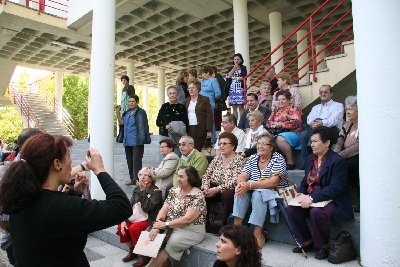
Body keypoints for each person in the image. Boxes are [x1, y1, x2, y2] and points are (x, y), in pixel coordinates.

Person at [0, 133, 132, 266]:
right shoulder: (63, 207)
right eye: (69, 156)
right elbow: (121, 207)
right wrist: (100, 170)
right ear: (57, 164)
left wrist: (74, 193)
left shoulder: (19, 198)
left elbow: (50, 213)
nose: (71, 162)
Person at [287, 127, 353, 260]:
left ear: (327, 143)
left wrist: (312, 197)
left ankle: (322, 246)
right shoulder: (310, 158)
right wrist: (300, 193)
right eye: (311, 141)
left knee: (317, 212)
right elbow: (306, 180)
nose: (311, 144)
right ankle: (306, 241)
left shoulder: (337, 161)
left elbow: (335, 188)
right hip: (312, 197)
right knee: (291, 209)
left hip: (332, 199)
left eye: (315, 141)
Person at [232, 133, 288, 249]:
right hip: (254, 187)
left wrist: (250, 185)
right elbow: (242, 175)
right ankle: (236, 230)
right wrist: (242, 184)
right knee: (240, 190)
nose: (260, 146)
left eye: (264, 144)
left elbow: (273, 182)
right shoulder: (253, 158)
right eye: (258, 144)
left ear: (271, 147)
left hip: (274, 191)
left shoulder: (278, 158)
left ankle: (257, 233)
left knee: (258, 194)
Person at [148, 166, 207, 267]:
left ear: (190, 178)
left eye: (181, 176)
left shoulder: (197, 195)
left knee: (173, 241)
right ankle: (164, 263)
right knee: (152, 233)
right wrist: (156, 227)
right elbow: (163, 210)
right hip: (172, 225)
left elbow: (188, 219)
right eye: (177, 176)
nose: (178, 179)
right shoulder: (174, 191)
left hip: (191, 230)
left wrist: (165, 225)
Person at [117, 167, 163, 266]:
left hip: (150, 218)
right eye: (141, 175)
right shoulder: (137, 189)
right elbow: (129, 205)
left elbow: (147, 208)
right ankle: (132, 251)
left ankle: (145, 257)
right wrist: (124, 219)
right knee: (121, 225)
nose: (142, 177)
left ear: (152, 178)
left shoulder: (156, 192)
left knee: (134, 228)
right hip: (137, 216)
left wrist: (143, 191)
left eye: (146, 175)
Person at [202, 132, 245, 225]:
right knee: (199, 190)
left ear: (233, 146)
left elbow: (235, 180)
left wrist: (217, 189)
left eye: (225, 143)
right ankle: (203, 221)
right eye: (220, 143)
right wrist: (205, 186)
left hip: (229, 189)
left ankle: (223, 222)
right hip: (213, 187)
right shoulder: (217, 158)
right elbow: (207, 175)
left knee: (228, 194)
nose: (221, 146)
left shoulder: (239, 159)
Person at [300, 85, 344, 164]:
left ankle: (318, 159)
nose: (323, 94)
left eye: (325, 92)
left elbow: (334, 120)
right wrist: (313, 124)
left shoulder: (338, 106)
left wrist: (321, 123)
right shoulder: (316, 107)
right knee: (303, 135)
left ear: (331, 94)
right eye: (321, 92)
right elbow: (309, 119)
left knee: (320, 131)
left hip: (332, 130)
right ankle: (307, 162)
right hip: (315, 129)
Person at [116, 95, 151, 185]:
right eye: (129, 101)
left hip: (137, 141)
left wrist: (144, 138)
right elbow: (121, 123)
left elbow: (143, 126)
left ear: (137, 102)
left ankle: (138, 180)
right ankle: (132, 179)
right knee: (130, 161)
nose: (130, 103)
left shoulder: (141, 112)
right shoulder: (127, 113)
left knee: (136, 162)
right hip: (127, 141)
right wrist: (118, 113)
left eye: (133, 101)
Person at [333, 96, 359, 212]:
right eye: (346, 109)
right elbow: (339, 142)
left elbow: (359, 146)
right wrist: (335, 156)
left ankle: (360, 200)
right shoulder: (347, 125)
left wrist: (339, 156)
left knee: (350, 165)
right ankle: (338, 200)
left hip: (357, 155)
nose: (347, 112)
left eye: (350, 109)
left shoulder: (364, 124)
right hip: (344, 155)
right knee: (334, 164)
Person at [266, 90, 303, 170]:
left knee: (280, 139)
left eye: (283, 99)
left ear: (288, 100)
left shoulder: (293, 109)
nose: (280, 101)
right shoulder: (276, 111)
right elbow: (268, 122)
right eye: (278, 100)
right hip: (278, 132)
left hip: (293, 133)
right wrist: (273, 125)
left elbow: (297, 122)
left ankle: (290, 162)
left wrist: (282, 124)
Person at [184, 80, 213, 151]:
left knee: (198, 150)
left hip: (200, 129)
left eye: (193, 87)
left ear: (197, 88)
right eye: (189, 88)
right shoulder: (185, 101)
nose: (190, 89)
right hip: (189, 129)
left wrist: (209, 130)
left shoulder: (204, 99)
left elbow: (209, 115)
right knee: (189, 150)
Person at [226, 53, 247, 120]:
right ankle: (235, 124)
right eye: (235, 59)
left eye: (238, 59)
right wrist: (233, 69)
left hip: (240, 89)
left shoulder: (243, 68)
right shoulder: (231, 68)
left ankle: (242, 123)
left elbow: (244, 77)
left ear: (241, 60)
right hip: (233, 89)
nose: (236, 60)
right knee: (234, 107)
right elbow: (227, 76)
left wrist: (235, 78)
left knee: (241, 107)